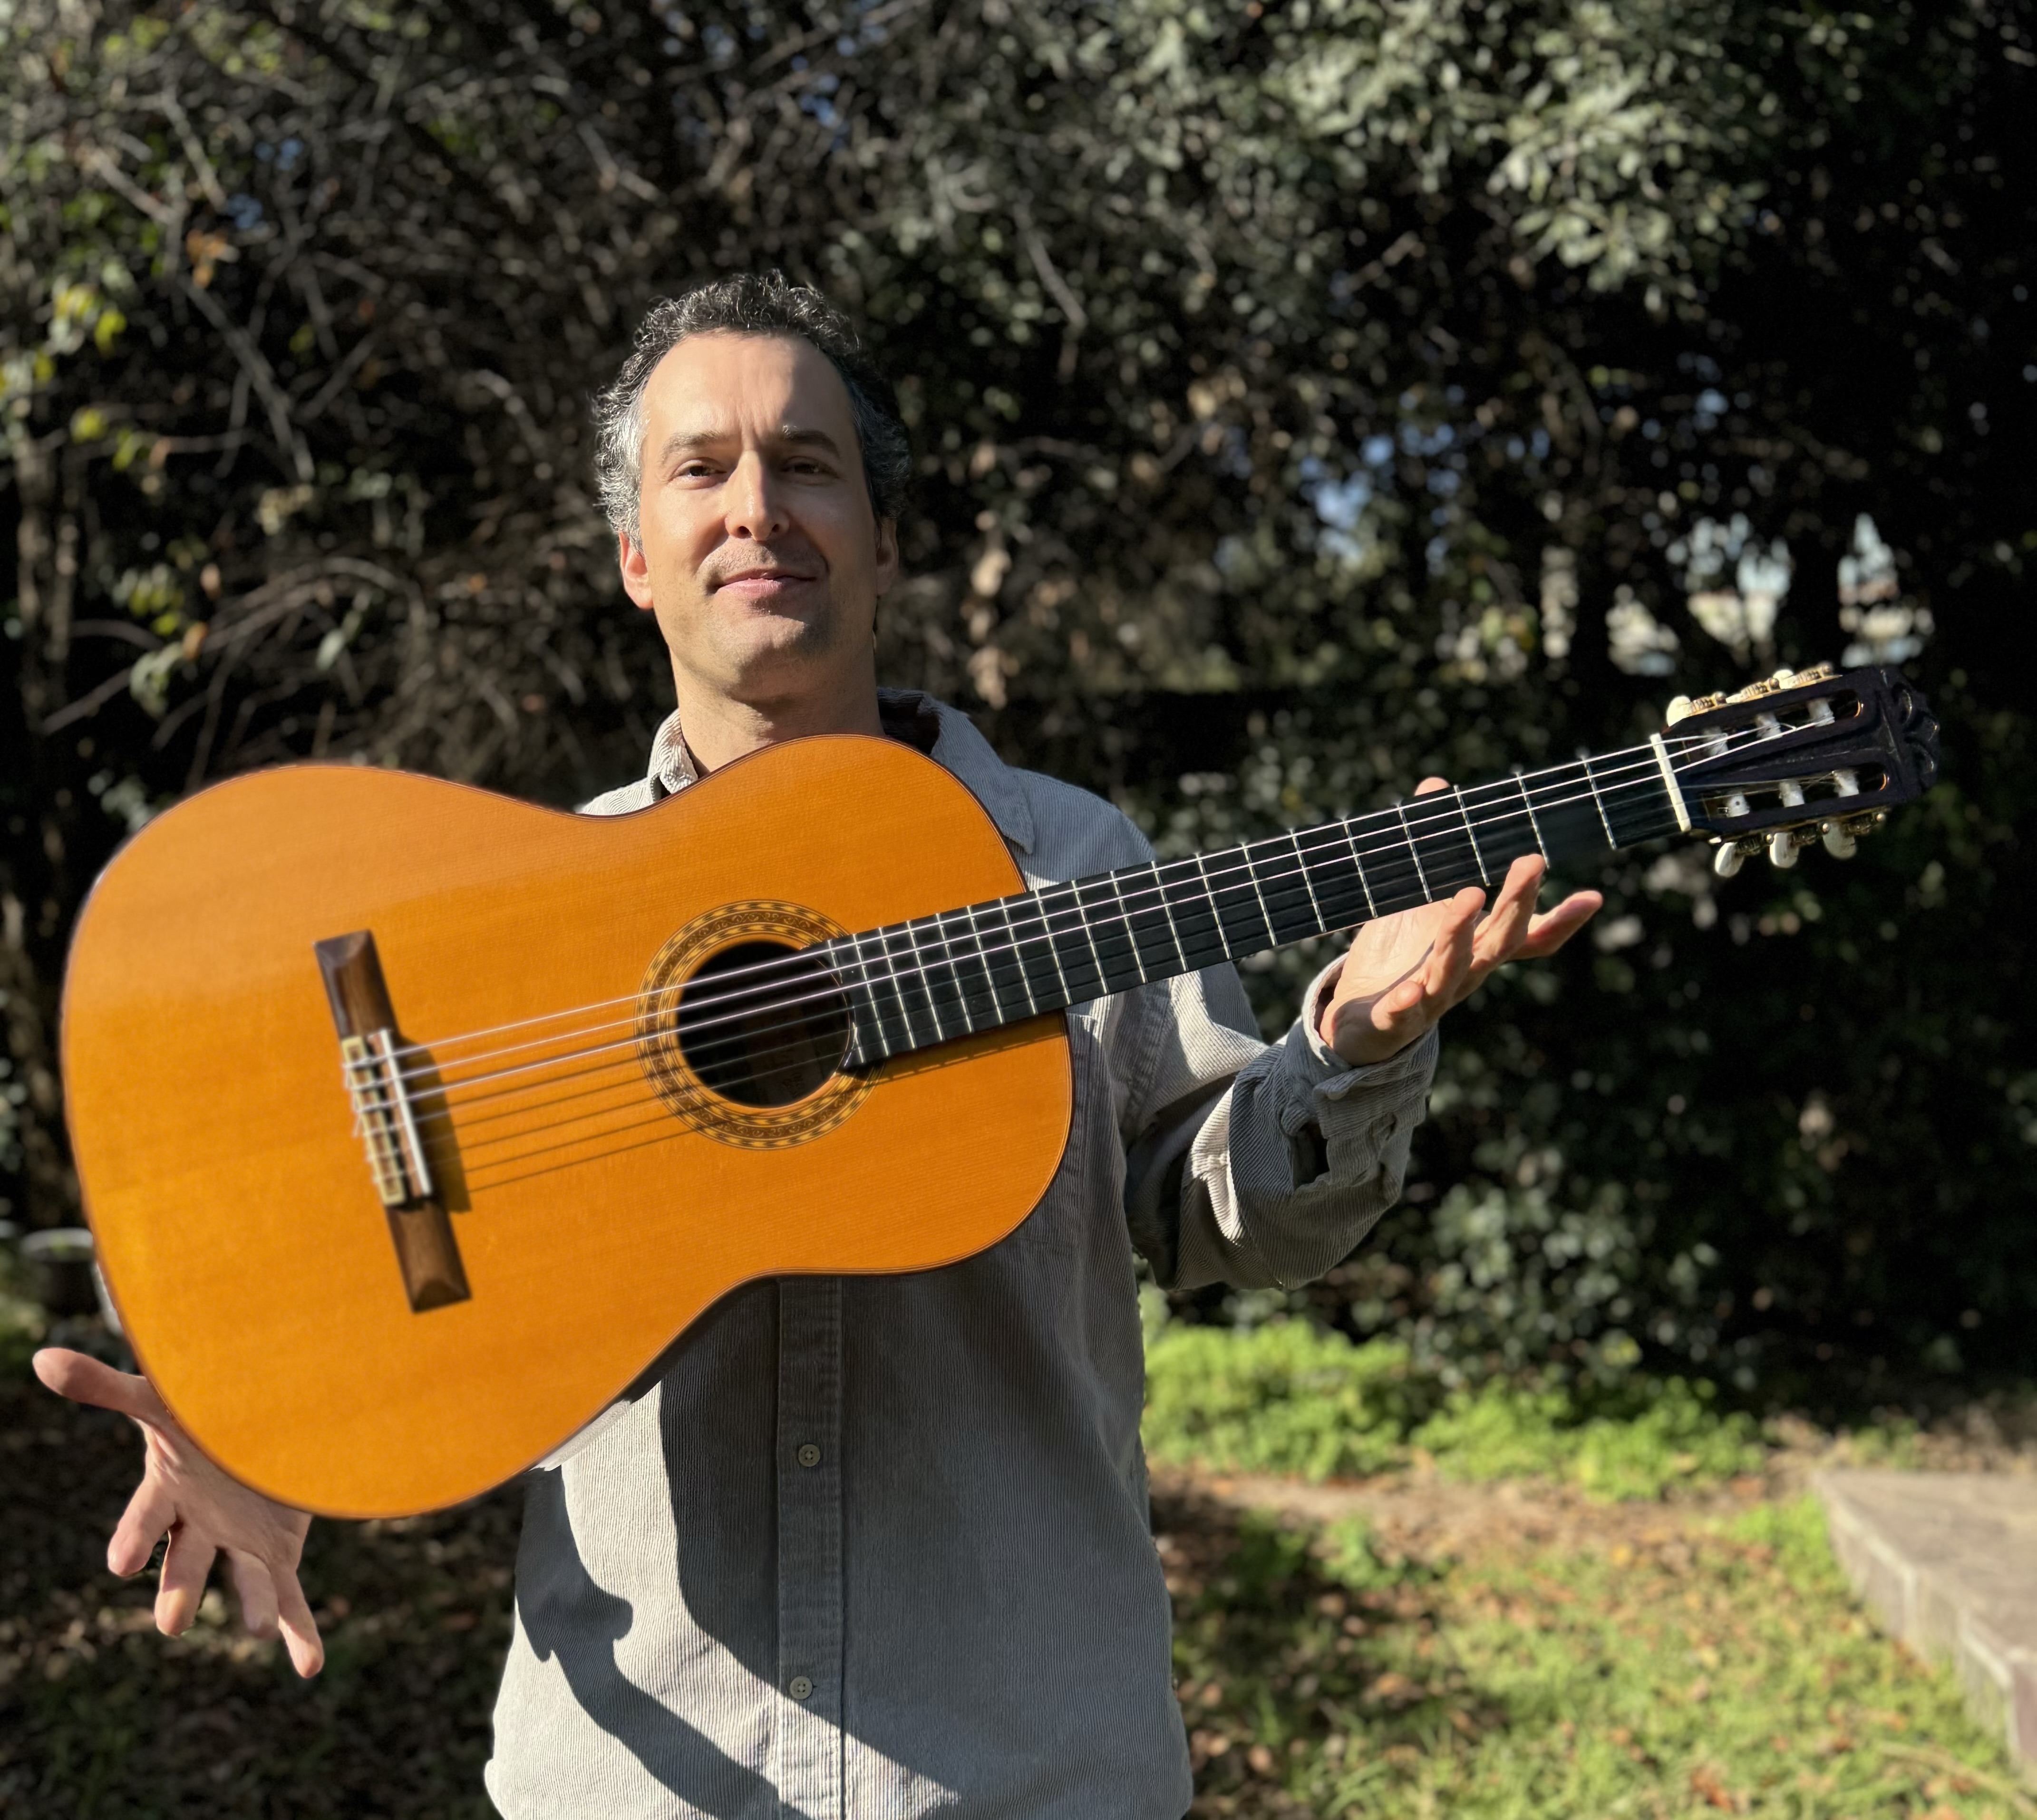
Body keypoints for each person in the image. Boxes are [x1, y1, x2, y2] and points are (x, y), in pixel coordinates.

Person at [36, 275, 1600, 1816]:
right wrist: (253, 1417)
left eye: (807, 465)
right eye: (699, 468)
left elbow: (1207, 1214)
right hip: (639, 1776)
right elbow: (308, 1208)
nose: (756, 509)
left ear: (886, 540)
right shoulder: (493, 924)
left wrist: (1349, 1039)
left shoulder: (1063, 864)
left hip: (1023, 1762)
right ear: (636, 557)